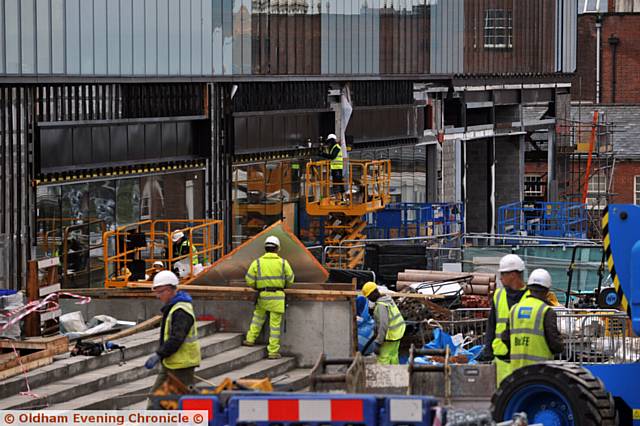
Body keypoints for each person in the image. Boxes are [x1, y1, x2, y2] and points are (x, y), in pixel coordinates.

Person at [145, 271, 201, 408]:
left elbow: (177, 338)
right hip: (172, 363)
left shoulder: (181, 310)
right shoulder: (174, 307)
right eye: (156, 292)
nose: (158, 296)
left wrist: (159, 354)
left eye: (161, 292)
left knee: (179, 403)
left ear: (171, 289)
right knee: (157, 400)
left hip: (182, 365)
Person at [502, 268, 563, 374]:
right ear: (547, 291)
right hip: (540, 373)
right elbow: (555, 345)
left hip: (516, 371)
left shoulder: (514, 309)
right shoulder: (546, 311)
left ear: (529, 288)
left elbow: (505, 338)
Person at [242, 235, 294, 359]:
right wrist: (283, 286)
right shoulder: (283, 263)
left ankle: (250, 339)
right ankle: (273, 352)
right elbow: (290, 279)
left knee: (257, 318)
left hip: (262, 296)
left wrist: (257, 287)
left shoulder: (257, 262)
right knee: (275, 326)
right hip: (277, 297)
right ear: (277, 249)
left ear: (265, 248)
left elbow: (249, 279)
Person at [485, 254, 529, 386]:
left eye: (503, 274)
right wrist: (488, 350)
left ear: (513, 275)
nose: (500, 277)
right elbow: (491, 325)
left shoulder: (531, 297)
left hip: (523, 359)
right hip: (501, 359)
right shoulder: (499, 295)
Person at [361, 281, 406, 365]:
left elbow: (383, 325)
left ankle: (384, 376)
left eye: (369, 296)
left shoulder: (381, 305)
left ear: (373, 293)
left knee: (383, 358)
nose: (369, 299)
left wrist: (378, 342)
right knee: (393, 355)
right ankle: (395, 374)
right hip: (398, 332)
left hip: (390, 335)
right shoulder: (387, 299)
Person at [320, 134, 345, 198]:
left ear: (332, 140)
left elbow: (332, 156)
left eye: (329, 141)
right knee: (336, 182)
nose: (329, 143)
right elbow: (330, 155)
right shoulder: (333, 147)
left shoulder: (336, 147)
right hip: (334, 167)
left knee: (338, 182)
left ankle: (342, 197)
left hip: (337, 168)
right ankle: (338, 196)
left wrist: (322, 154)